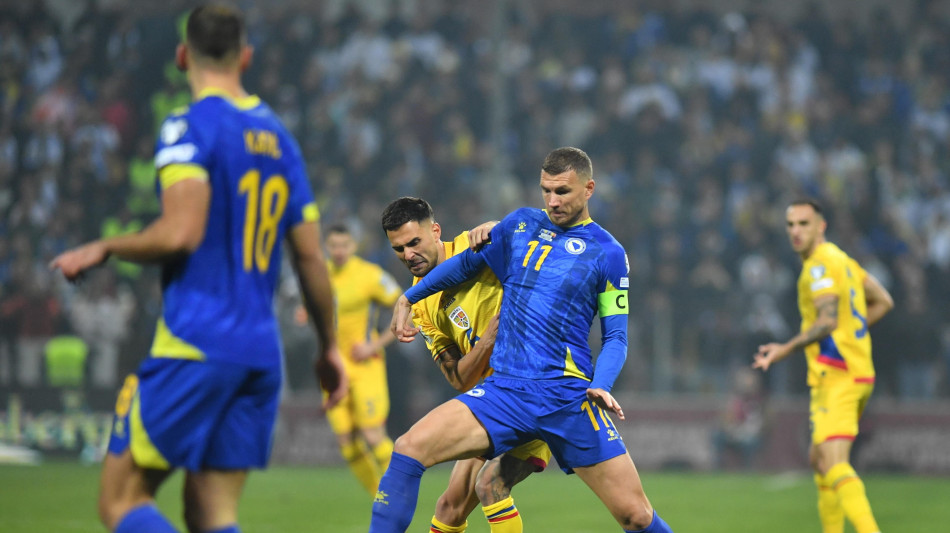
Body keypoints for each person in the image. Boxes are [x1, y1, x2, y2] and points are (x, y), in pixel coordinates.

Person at [49, 5, 347, 533]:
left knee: (121, 501)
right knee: (210, 515)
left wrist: (107, 246)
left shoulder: (189, 125)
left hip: (196, 343)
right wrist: (328, 348)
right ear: (246, 57)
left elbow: (180, 232)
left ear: (183, 56)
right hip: (259, 355)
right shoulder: (282, 140)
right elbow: (309, 259)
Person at [370, 147, 673, 533]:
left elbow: (616, 336)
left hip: (566, 396)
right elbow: (463, 265)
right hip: (505, 392)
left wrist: (601, 385)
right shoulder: (520, 225)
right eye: (545, 190)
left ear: (589, 189)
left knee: (636, 515)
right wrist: (408, 298)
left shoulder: (609, 254)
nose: (552, 200)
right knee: (409, 449)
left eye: (562, 191)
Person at [381, 196, 551, 533]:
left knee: (489, 485)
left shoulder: (478, 244)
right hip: (489, 403)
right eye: (399, 249)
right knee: (448, 508)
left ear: (435, 231)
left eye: (414, 242)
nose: (408, 255)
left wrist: (498, 229)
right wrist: (487, 340)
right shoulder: (421, 305)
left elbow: (543, 226)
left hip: (533, 387)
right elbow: (458, 379)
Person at [753, 199, 893, 533]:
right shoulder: (844, 261)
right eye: (790, 225)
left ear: (821, 226)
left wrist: (784, 349)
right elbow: (883, 301)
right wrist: (851, 335)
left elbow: (827, 321)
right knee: (820, 461)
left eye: (804, 223)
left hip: (838, 375)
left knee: (834, 462)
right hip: (856, 371)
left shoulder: (818, 266)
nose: (796, 231)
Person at [323, 223, 401, 496]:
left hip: (366, 366)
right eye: (334, 245)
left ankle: (401, 492)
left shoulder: (370, 275)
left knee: (372, 434)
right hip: (332, 369)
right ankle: (379, 497)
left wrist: (374, 345)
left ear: (353, 246)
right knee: (346, 442)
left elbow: (406, 306)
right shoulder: (319, 275)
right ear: (327, 247)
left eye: (344, 245)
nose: (339, 251)